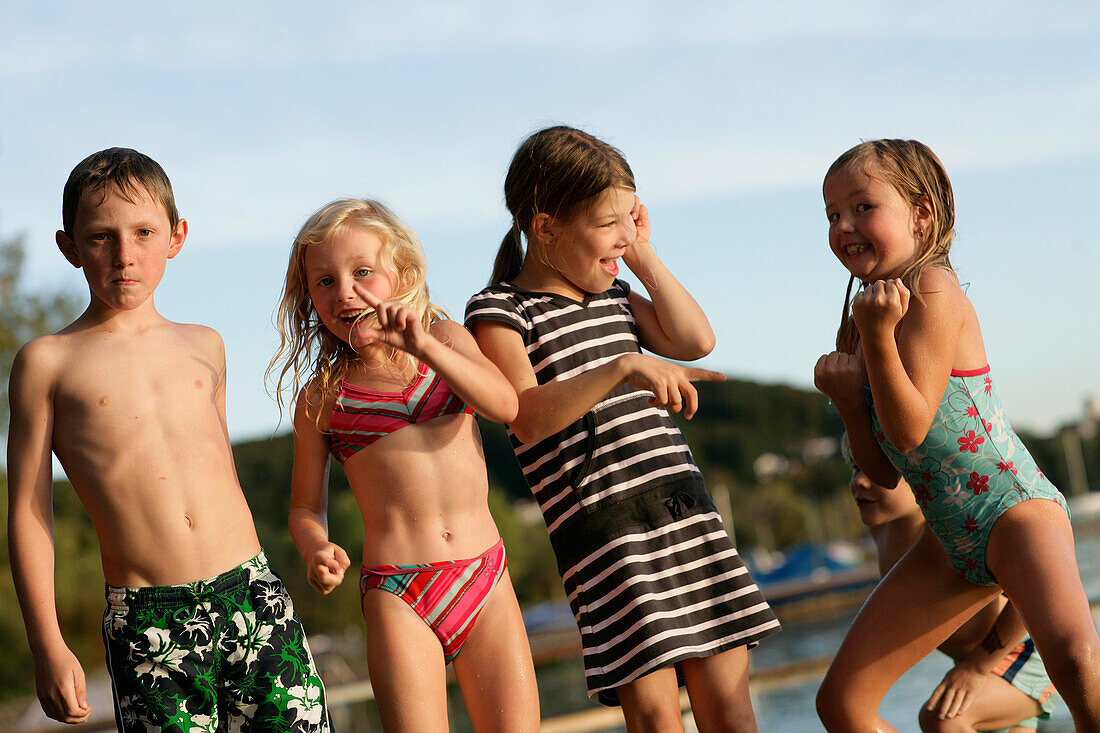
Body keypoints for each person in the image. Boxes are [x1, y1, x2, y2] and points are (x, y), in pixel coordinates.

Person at [465, 125, 780, 732]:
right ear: (546, 225)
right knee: (657, 719)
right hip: (607, 540)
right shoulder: (501, 311)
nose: (624, 235)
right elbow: (524, 416)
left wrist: (638, 252)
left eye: (628, 219)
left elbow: (696, 339)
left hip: (684, 514)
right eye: (608, 224)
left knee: (732, 713)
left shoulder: (616, 296)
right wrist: (623, 366)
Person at [6, 148, 329, 731]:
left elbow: (219, 475)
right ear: (69, 246)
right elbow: (30, 513)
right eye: (101, 237)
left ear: (176, 236)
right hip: (149, 623)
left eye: (144, 232)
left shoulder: (205, 345)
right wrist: (46, 643)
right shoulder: (47, 363)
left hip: (253, 595)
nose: (125, 254)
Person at [814, 139, 1100, 732]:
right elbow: (886, 468)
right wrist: (847, 398)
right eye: (831, 216)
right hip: (949, 539)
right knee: (840, 703)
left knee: (1075, 663)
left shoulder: (934, 289)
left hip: (1013, 511)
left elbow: (912, 429)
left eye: (862, 207)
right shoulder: (863, 316)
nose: (844, 227)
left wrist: (876, 335)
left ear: (921, 214)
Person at [269, 198, 539, 732]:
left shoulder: (447, 341)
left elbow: (505, 405)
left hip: (483, 574)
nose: (344, 290)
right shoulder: (321, 398)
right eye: (324, 281)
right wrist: (314, 546)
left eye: (362, 272)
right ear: (309, 299)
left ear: (404, 274)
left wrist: (425, 346)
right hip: (399, 592)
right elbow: (304, 506)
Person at [846, 450, 1058, 732]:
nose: (859, 481)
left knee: (942, 718)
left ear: (919, 478)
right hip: (974, 670)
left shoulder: (954, 535)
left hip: (1022, 655)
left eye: (874, 471)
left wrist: (977, 668)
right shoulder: (881, 533)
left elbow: (1031, 597)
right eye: (855, 467)